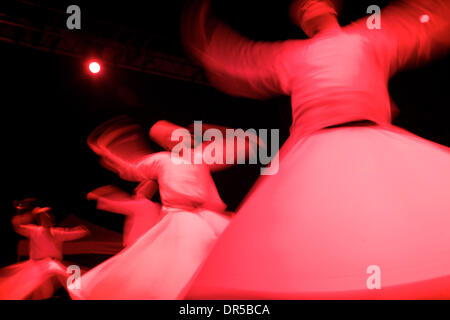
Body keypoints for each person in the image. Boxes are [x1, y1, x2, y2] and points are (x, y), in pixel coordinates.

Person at [180, 0, 450, 299]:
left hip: (334, 151)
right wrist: (207, 40)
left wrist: (206, 39)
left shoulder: (348, 41)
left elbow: (240, 63)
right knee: (363, 228)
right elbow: (421, 25)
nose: (311, 16)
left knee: (353, 231)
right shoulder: (356, 39)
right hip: (341, 149)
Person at [66, 116, 234, 299]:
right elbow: (136, 167)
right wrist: (114, 157)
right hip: (179, 217)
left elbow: (228, 151)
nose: (184, 140)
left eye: (184, 137)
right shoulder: (163, 160)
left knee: (214, 252)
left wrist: (220, 132)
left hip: (203, 216)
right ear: (170, 144)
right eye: (178, 138)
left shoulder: (200, 158)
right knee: (184, 260)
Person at [0, 206, 89, 299]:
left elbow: (72, 233)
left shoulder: (57, 232)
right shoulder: (34, 230)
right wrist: (24, 213)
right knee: (40, 289)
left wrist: (83, 231)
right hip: (38, 265)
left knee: (72, 274)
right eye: (45, 217)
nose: (48, 219)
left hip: (52, 264)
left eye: (49, 217)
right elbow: (18, 227)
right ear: (40, 220)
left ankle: (79, 295)